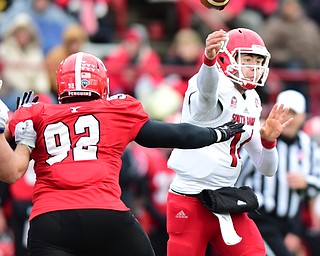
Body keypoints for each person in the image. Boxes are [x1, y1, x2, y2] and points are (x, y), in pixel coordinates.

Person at [0, 52, 245, 256]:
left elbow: (6, 159)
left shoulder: (34, 114)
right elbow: (172, 135)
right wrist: (216, 133)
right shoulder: (116, 110)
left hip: (50, 221)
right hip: (105, 214)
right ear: (101, 82)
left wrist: (17, 127)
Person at [166, 28, 292, 256]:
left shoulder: (252, 99)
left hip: (225, 199)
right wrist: (209, 61)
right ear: (226, 58)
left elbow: (267, 168)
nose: (254, 67)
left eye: (258, 60)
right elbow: (206, 97)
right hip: (189, 199)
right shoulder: (208, 84)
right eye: (247, 59)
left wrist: (268, 141)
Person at [236, 90, 320, 256]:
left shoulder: (308, 146)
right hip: (258, 217)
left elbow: (317, 181)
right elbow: (237, 175)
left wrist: (306, 183)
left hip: (288, 222)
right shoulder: (258, 138)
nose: (289, 117)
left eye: (294, 113)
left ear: (303, 116)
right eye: (284, 112)